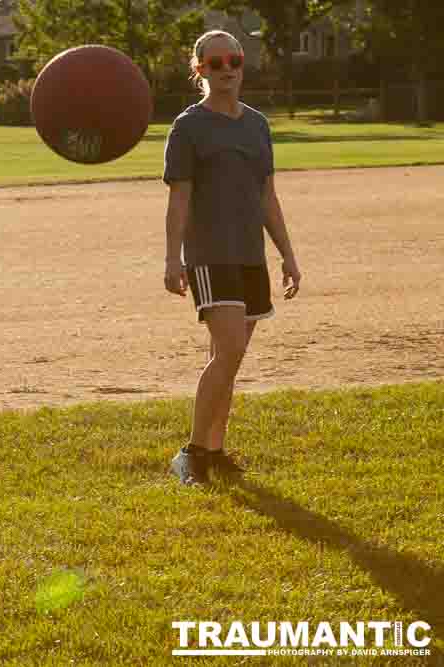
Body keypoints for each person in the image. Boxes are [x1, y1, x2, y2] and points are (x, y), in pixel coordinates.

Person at [162, 31, 302, 486]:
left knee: (230, 358)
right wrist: (172, 259)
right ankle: (190, 453)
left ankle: (215, 452)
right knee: (231, 349)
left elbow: (268, 197)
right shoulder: (188, 127)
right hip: (209, 255)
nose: (227, 68)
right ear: (199, 69)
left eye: (234, 60)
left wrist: (288, 254)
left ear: (243, 65)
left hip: (249, 256)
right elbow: (179, 200)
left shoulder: (257, 125)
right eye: (216, 61)